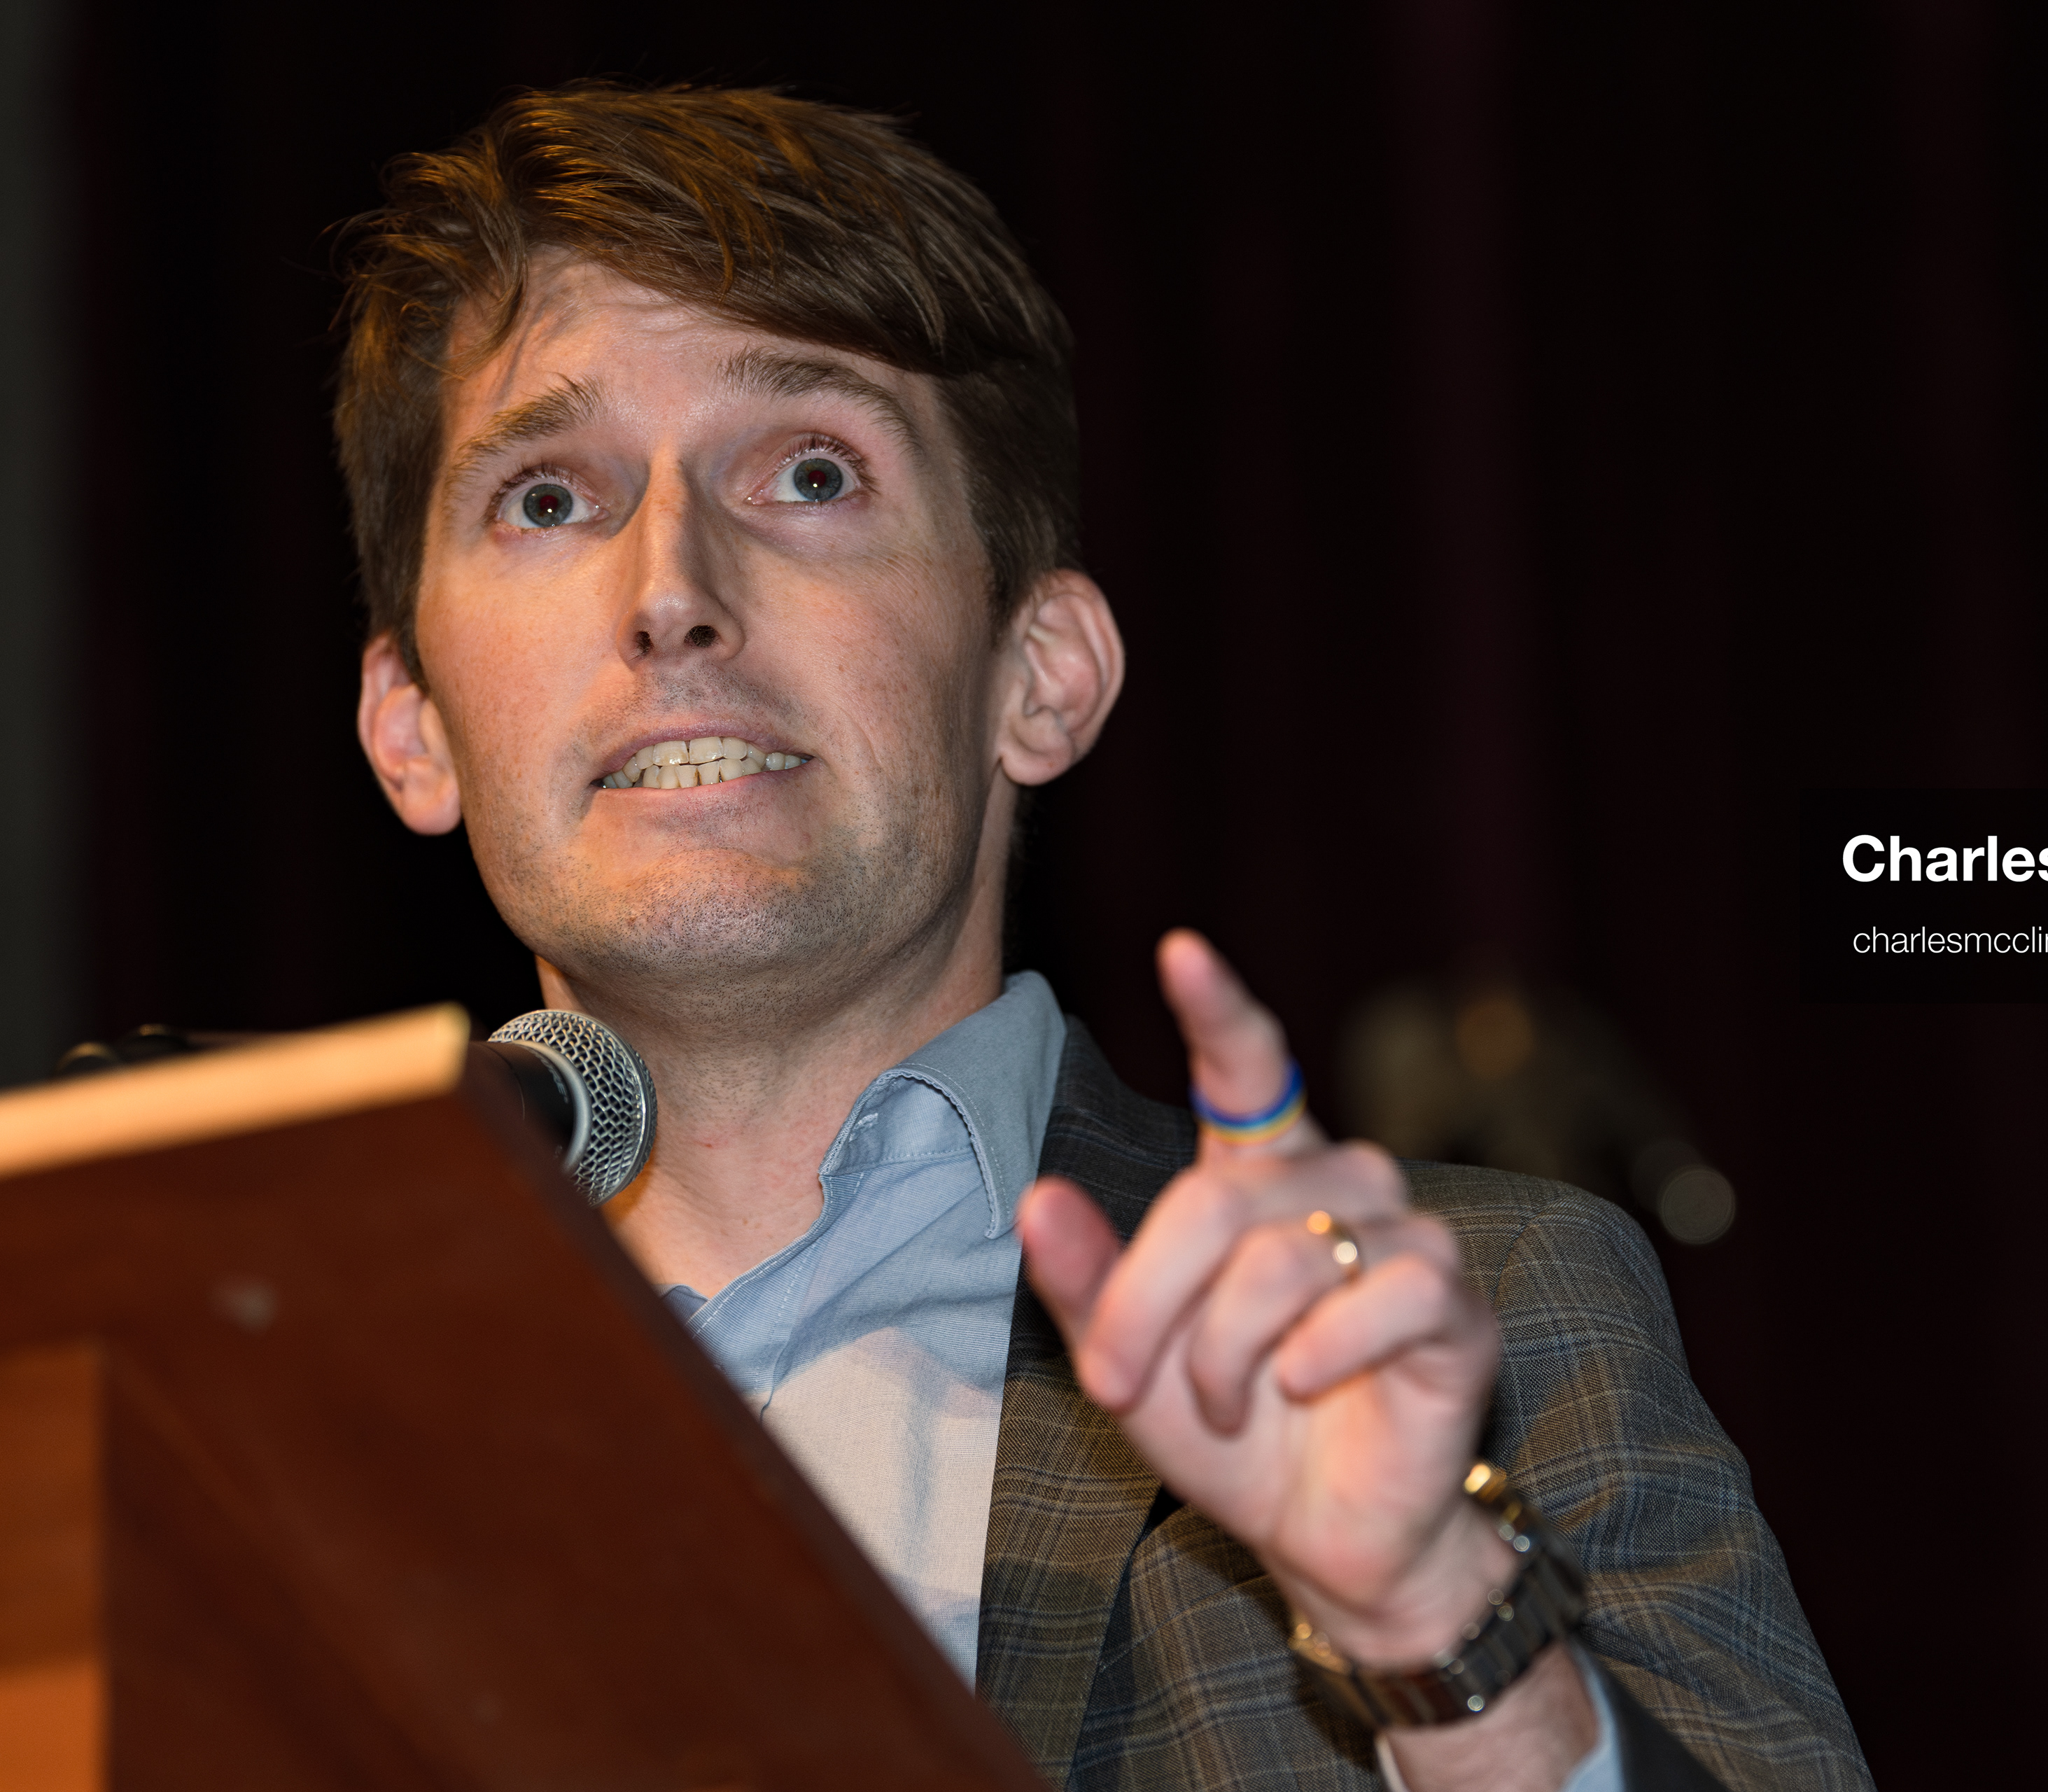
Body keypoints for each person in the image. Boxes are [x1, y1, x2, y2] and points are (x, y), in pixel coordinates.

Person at [340, 83, 1871, 1792]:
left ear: (1038, 674)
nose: (670, 585)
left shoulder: (1477, 1321)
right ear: (413, 726)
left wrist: (1438, 1616)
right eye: (549, 498)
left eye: (812, 472)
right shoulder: (227, 1391)